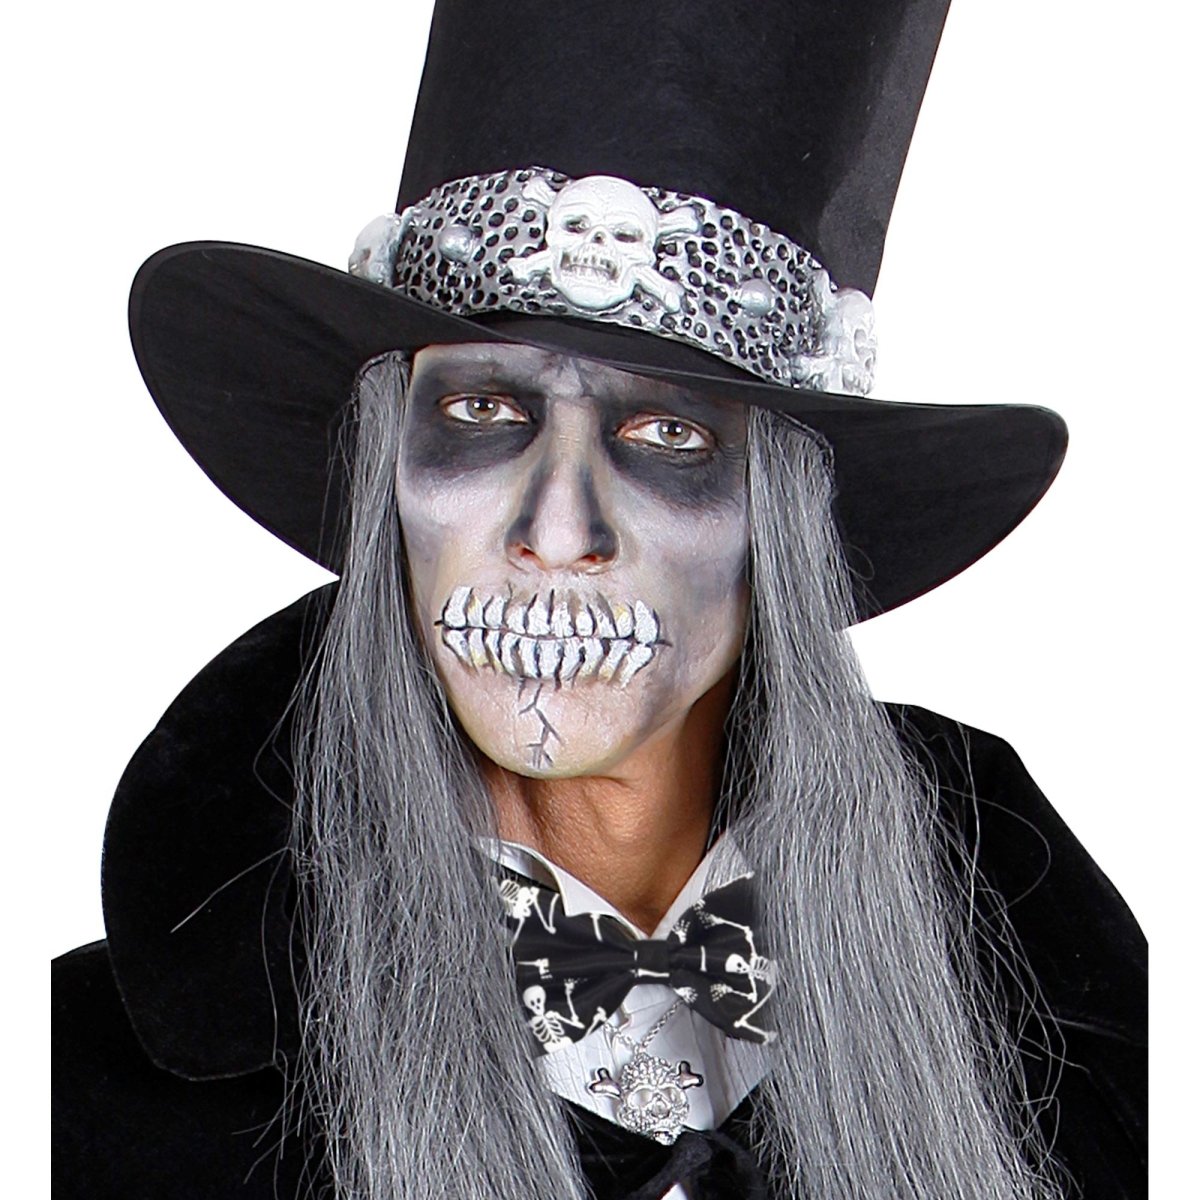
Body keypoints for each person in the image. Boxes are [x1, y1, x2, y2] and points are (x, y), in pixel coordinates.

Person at [48, 2, 1149, 1198]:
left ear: (776, 525)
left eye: (669, 434)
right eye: (481, 412)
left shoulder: (1085, 1058)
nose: (558, 532)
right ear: (390, 473)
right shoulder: (77, 1106)